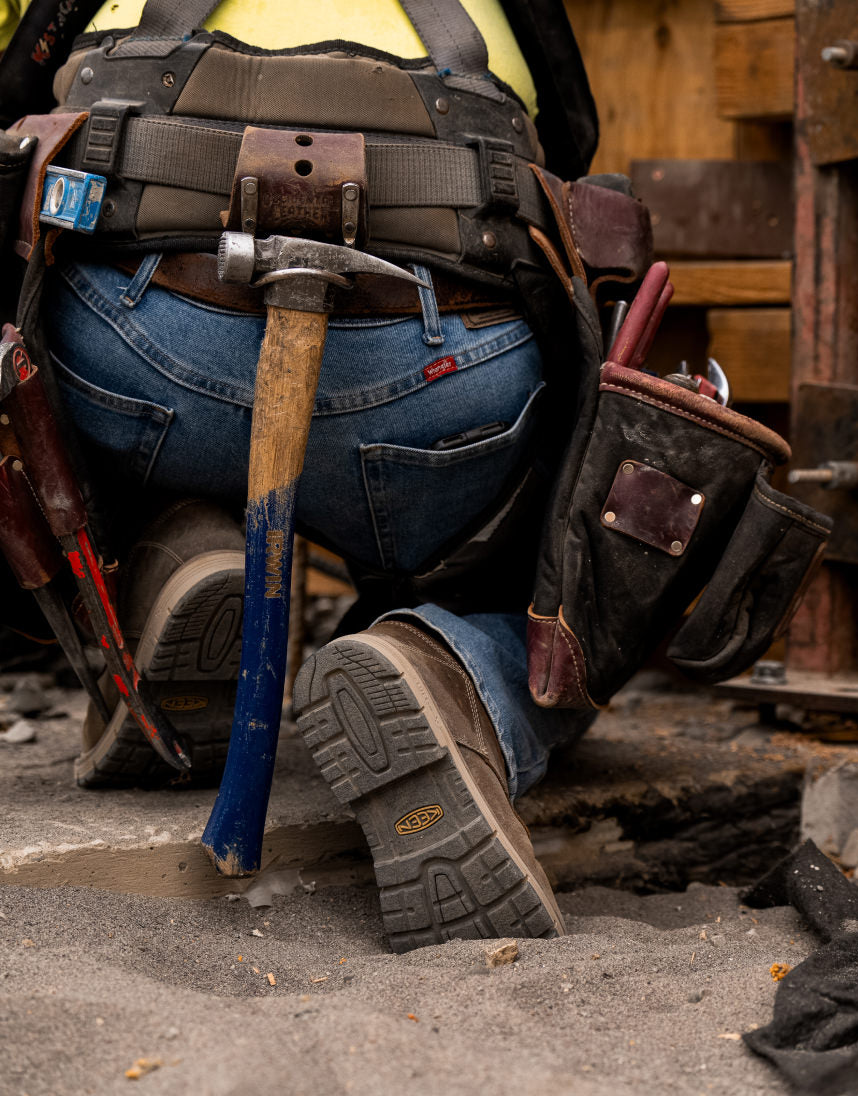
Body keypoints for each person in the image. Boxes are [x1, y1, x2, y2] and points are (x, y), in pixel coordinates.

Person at [1, 0, 606, 951]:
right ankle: (453, 672)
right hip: (439, 381)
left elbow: (15, 96)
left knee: (60, 347)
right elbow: (572, 139)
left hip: (142, 344)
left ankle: (170, 568)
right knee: (565, 590)